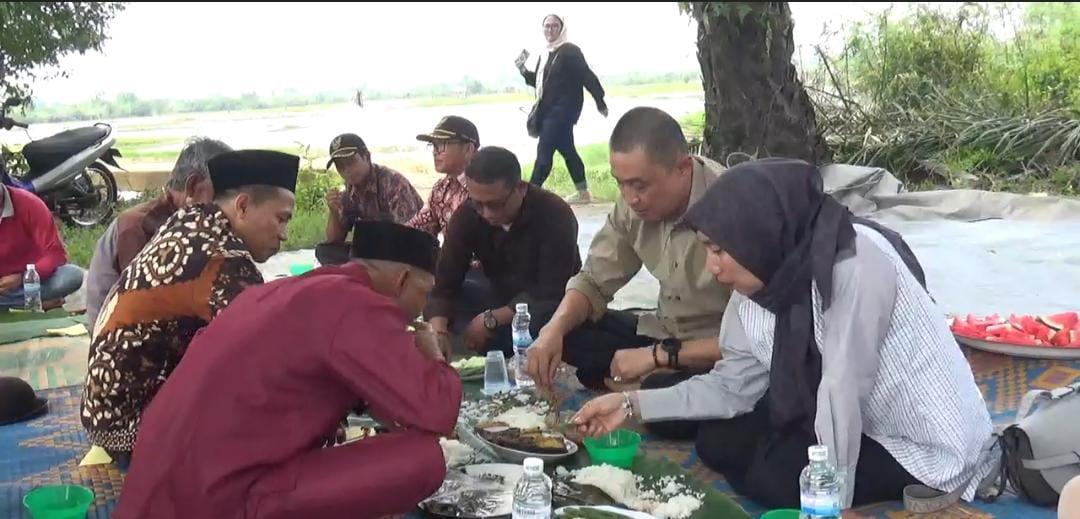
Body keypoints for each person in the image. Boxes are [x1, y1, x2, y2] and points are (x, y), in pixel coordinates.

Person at [571, 158, 995, 511]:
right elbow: (732, 387)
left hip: (914, 439)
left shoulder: (856, 264)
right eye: (707, 249)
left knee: (776, 478)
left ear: (761, 233)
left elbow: (842, 389)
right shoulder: (759, 282)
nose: (713, 267)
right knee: (719, 440)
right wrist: (631, 405)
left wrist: (833, 503)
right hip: (840, 415)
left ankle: (793, 468)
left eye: (719, 250)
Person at [112, 221, 461, 519]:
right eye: (423, 293)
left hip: (156, 484)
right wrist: (433, 357)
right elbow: (436, 413)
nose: (423, 306)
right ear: (401, 280)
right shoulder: (358, 305)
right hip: (218, 500)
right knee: (423, 458)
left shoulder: (289, 289)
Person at [81, 150, 299, 465]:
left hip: (102, 414)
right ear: (242, 206)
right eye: (281, 218)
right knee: (284, 407)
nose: (284, 234)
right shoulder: (223, 259)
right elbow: (272, 353)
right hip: (137, 431)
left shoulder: (190, 221)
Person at [526, 107, 730, 391]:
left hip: (717, 351)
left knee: (670, 398)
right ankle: (644, 385)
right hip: (662, 334)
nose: (630, 198)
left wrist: (658, 359)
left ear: (683, 169)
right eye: (619, 183)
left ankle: (648, 389)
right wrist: (554, 331)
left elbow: (759, 339)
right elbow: (593, 281)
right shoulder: (632, 205)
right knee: (548, 320)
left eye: (639, 185)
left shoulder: (732, 207)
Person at [427, 146, 581, 357]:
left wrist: (491, 319)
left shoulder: (554, 213)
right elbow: (445, 281)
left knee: (543, 319)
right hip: (497, 296)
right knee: (439, 299)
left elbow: (552, 290)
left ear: (520, 188)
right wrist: (438, 331)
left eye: (496, 205)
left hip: (543, 304)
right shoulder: (468, 215)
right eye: (478, 204)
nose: (487, 214)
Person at [85, 137, 232, 332]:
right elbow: (144, 305)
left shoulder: (189, 222)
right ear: (193, 187)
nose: (228, 206)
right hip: (120, 339)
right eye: (223, 196)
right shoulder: (139, 226)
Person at [515, 14, 607, 204]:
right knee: (568, 151)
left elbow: (586, 76)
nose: (550, 30)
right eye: (547, 26)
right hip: (548, 112)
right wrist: (523, 70)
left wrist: (600, 100)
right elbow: (543, 84)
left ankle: (529, 196)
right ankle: (583, 193)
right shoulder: (546, 53)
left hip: (562, 113)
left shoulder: (570, 51)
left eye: (554, 26)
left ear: (562, 28)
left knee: (544, 153)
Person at [323, 132, 423, 243]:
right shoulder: (348, 190)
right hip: (378, 249)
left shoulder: (393, 184)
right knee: (326, 252)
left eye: (350, 162)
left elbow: (412, 236)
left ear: (367, 157)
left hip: (410, 248)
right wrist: (334, 212)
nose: (346, 170)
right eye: (340, 165)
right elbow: (334, 240)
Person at [0, 183, 83, 310]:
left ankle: (21, 304)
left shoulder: (29, 203)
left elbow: (55, 253)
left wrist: (21, 277)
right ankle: (34, 303)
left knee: (72, 276)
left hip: (31, 281)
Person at [408, 115, 480, 240]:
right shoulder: (440, 189)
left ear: (468, 149)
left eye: (441, 145)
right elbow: (417, 229)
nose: (435, 152)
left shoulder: (487, 185)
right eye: (433, 145)